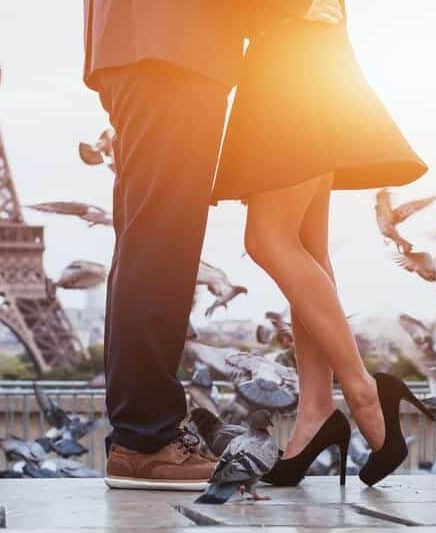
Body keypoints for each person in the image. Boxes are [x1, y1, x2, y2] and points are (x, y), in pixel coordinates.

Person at [82, 0, 317, 490]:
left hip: (144, 40)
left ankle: (142, 435)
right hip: (174, 44)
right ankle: (145, 442)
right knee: (162, 245)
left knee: (147, 240)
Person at [211, 0, 436, 487]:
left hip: (293, 56)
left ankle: (362, 390)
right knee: (305, 248)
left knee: (268, 239)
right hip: (299, 54)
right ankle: (315, 409)